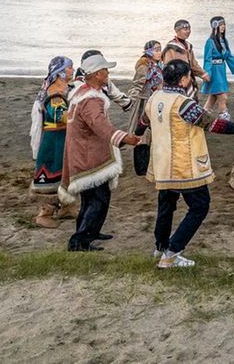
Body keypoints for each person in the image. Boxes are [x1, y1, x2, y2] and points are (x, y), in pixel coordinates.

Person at [144, 59, 234, 268]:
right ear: (184, 80)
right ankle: (172, 252)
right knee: (200, 206)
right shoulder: (184, 104)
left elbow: (143, 122)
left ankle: (160, 247)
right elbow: (214, 124)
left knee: (166, 205)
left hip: (161, 163)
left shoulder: (155, 97)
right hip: (185, 165)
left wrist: (138, 138)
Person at [60, 53, 142, 252]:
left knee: (90, 198)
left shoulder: (82, 93)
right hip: (89, 155)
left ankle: (90, 232)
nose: (107, 73)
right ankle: (79, 240)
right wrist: (123, 138)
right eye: (104, 70)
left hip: (82, 151)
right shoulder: (91, 100)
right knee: (98, 199)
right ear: (96, 74)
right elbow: (99, 124)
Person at [29, 56, 74, 228]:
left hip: (62, 137)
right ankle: (44, 213)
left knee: (64, 172)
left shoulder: (63, 87)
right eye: (69, 68)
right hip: (54, 140)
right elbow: (58, 115)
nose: (72, 70)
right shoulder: (55, 92)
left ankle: (67, 207)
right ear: (60, 72)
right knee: (51, 173)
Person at [126, 41, 163, 177]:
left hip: (156, 100)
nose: (159, 52)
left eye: (160, 49)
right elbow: (137, 85)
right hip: (144, 102)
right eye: (156, 50)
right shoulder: (144, 67)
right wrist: (131, 101)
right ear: (148, 51)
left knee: (154, 133)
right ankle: (141, 168)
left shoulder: (158, 65)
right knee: (142, 135)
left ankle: (149, 163)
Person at [201, 16, 234, 115]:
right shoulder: (210, 42)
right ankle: (224, 118)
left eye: (224, 24)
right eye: (220, 25)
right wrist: (207, 73)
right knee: (223, 97)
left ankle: (202, 116)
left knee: (213, 97)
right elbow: (207, 59)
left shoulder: (224, 41)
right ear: (214, 26)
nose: (223, 27)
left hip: (221, 70)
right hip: (214, 72)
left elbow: (229, 57)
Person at [169, 20, 208, 90]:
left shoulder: (188, 46)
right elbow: (168, 67)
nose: (188, 31)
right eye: (185, 29)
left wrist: (203, 74)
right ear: (177, 31)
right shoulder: (171, 48)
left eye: (189, 29)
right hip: (176, 82)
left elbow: (193, 64)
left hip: (189, 79)